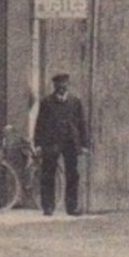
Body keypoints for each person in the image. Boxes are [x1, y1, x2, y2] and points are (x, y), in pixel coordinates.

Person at [33, 73, 88, 216]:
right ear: (54, 86)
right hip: (51, 142)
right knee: (48, 174)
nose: (62, 87)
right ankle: (48, 206)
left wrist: (84, 144)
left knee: (72, 175)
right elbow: (40, 124)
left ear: (68, 85)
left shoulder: (75, 102)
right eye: (59, 84)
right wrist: (38, 144)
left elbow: (82, 124)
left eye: (64, 84)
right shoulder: (46, 102)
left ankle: (72, 207)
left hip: (70, 143)